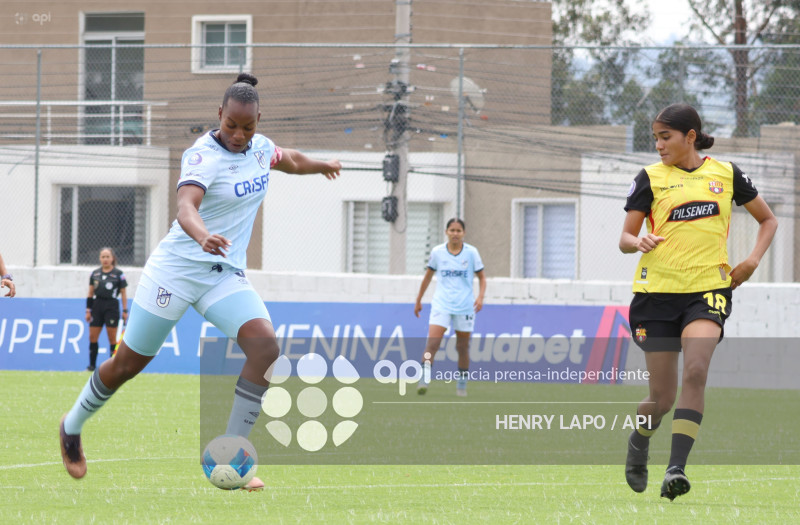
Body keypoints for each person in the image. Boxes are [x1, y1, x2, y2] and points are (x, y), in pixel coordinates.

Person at [59, 73, 342, 490]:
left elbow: (292, 160)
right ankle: (72, 425)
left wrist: (323, 166)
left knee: (265, 347)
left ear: (259, 120)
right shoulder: (201, 156)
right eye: (231, 125)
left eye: (248, 127)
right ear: (219, 115)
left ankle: (232, 455)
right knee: (127, 365)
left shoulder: (261, 149)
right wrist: (202, 234)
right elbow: (186, 206)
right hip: (174, 272)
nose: (238, 135)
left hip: (221, 275)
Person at [620, 103, 777, 501]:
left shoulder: (726, 174)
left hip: (708, 290)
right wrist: (638, 241)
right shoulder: (650, 178)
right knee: (662, 399)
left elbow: (768, 220)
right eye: (655, 137)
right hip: (656, 295)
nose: (658, 145)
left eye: (665, 137)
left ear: (690, 136)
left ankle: (676, 469)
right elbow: (625, 238)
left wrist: (752, 261)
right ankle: (640, 441)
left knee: (696, 370)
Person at [414, 218, 486, 397]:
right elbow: (428, 277)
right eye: (452, 230)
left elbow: (482, 278)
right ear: (446, 232)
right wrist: (418, 299)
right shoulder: (438, 252)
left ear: (464, 233)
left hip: (464, 306)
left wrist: (480, 297)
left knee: (462, 347)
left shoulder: (471, 253)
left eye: (458, 230)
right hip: (442, 304)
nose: (455, 234)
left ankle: (461, 385)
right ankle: (424, 379)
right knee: (433, 343)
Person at [85, 247, 128, 371]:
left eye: (107, 257)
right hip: (97, 305)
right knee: (93, 337)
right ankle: (91, 365)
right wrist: (88, 310)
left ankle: (113, 365)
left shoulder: (118, 274)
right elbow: (90, 293)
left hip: (111, 306)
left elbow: (123, 293)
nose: (105, 259)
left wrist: (125, 310)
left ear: (112, 258)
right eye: (103, 257)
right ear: (100, 258)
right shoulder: (95, 274)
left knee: (111, 337)